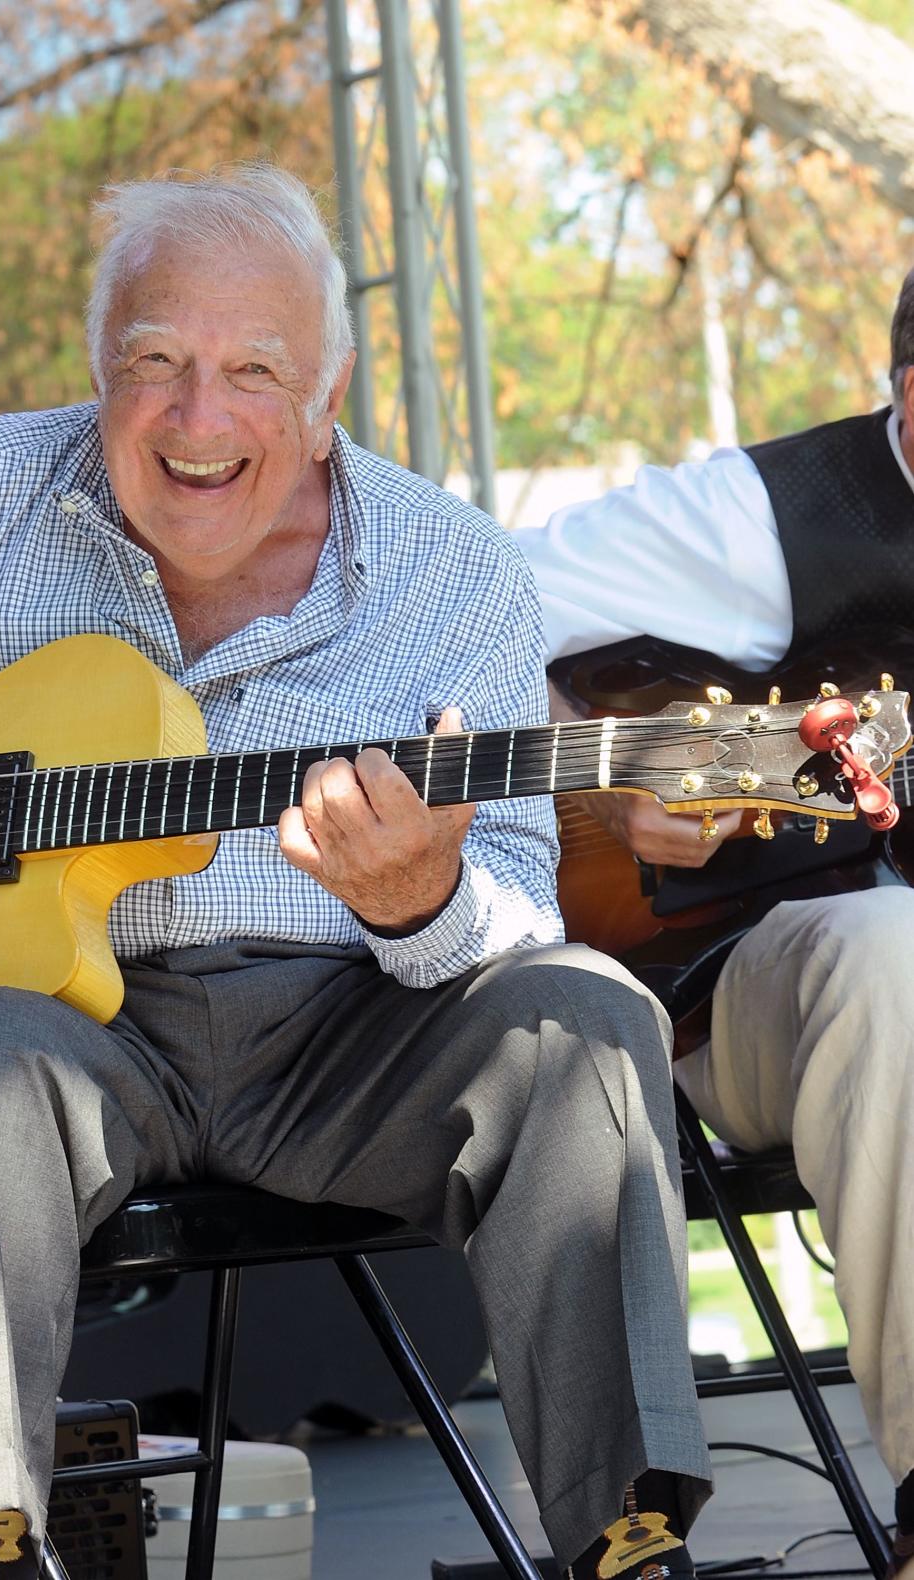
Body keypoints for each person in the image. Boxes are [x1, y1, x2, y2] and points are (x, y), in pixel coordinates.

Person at [0, 165, 711, 1579]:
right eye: (152, 363)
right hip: (55, 1034)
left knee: (585, 1017)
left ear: (329, 390)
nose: (197, 416)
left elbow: (518, 901)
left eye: (252, 372)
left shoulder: (455, 569)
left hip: (355, 1033)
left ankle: (624, 1534)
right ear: (97, 373)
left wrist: (419, 901)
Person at [518, 263, 914, 1580]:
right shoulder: (752, 518)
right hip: (761, 982)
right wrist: (603, 780)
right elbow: (440, 633)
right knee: (890, 952)